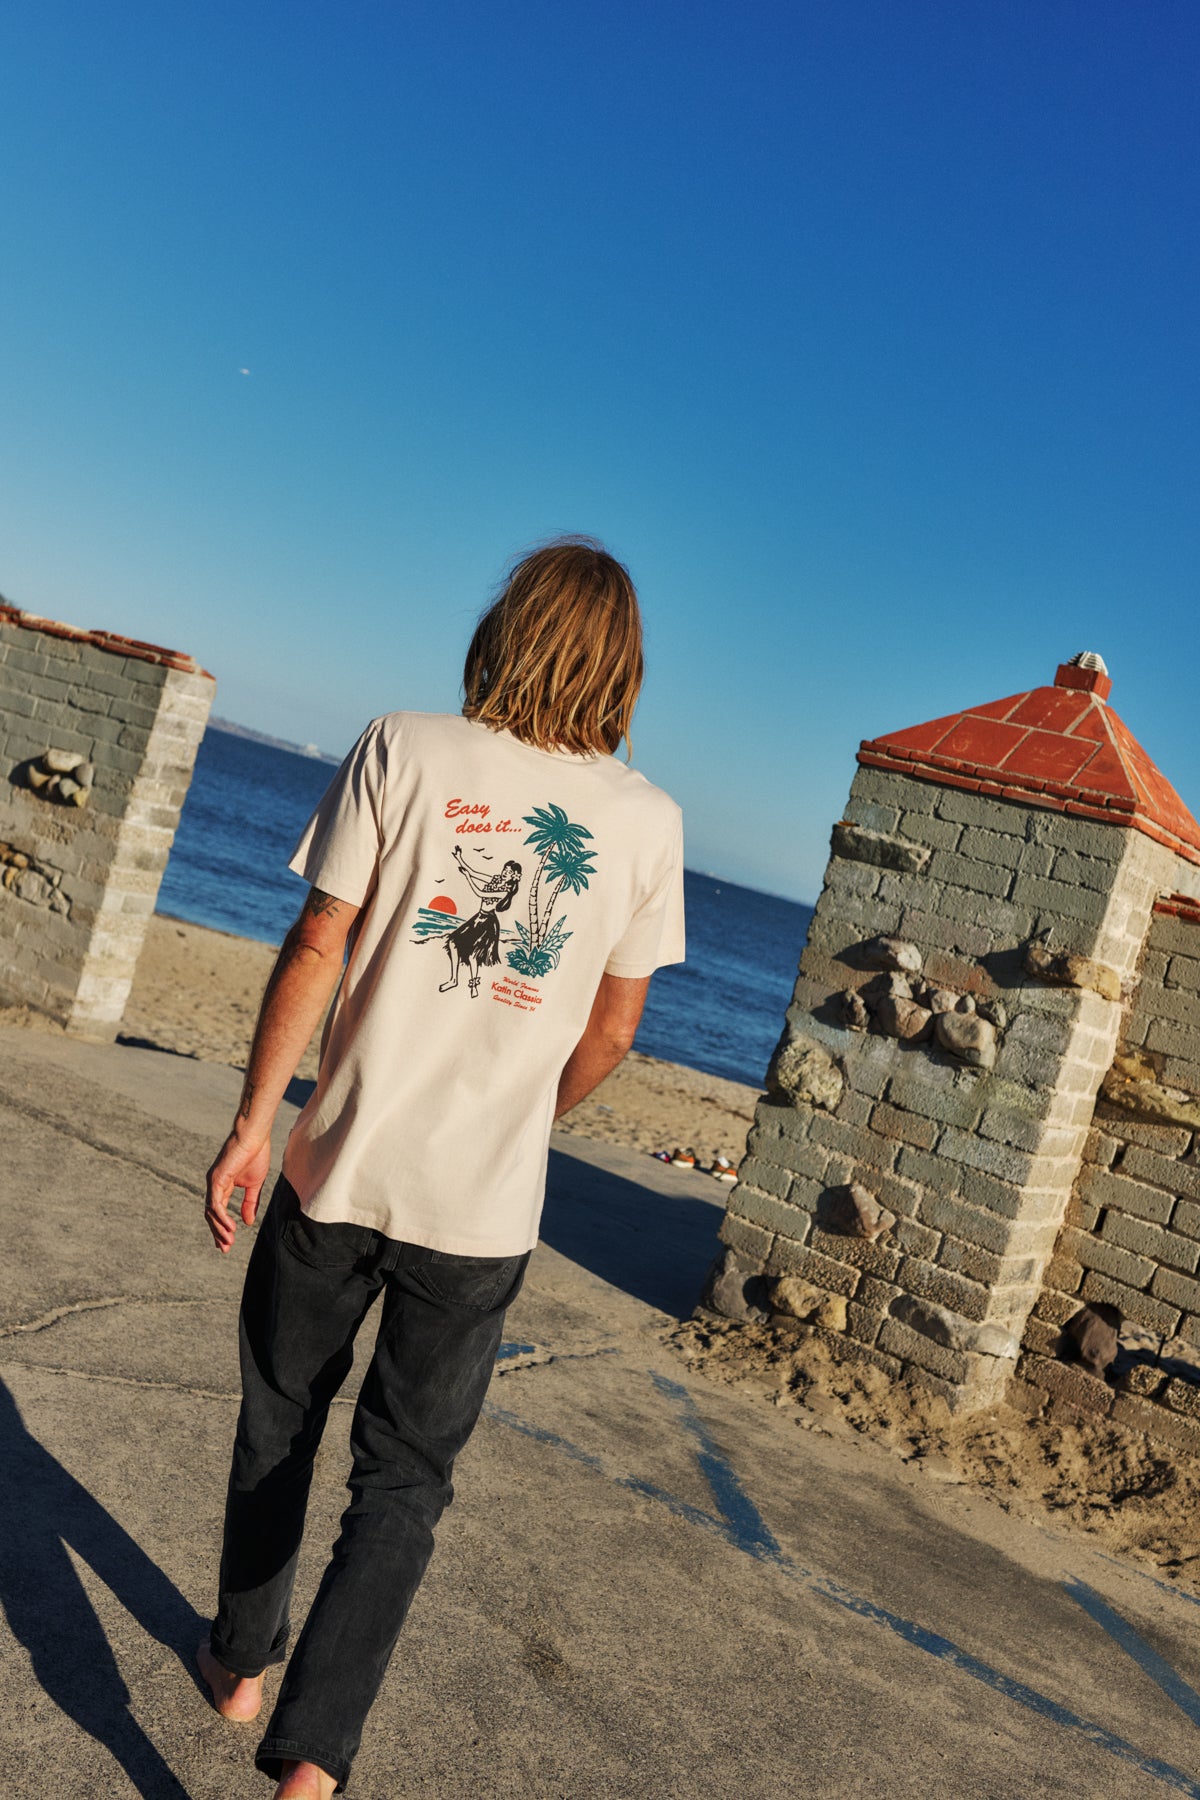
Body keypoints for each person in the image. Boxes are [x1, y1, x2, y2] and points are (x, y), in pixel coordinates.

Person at [197, 537, 685, 1798]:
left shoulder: (401, 745)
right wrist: (526, 1115)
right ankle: (310, 1764)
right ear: (624, 668)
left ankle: (242, 1661)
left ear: (504, 629)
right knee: (403, 1486)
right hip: (481, 1213)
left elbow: (321, 937)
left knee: (279, 1422)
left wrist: (255, 1121)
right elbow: (616, 1030)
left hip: (336, 1167)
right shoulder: (646, 820)